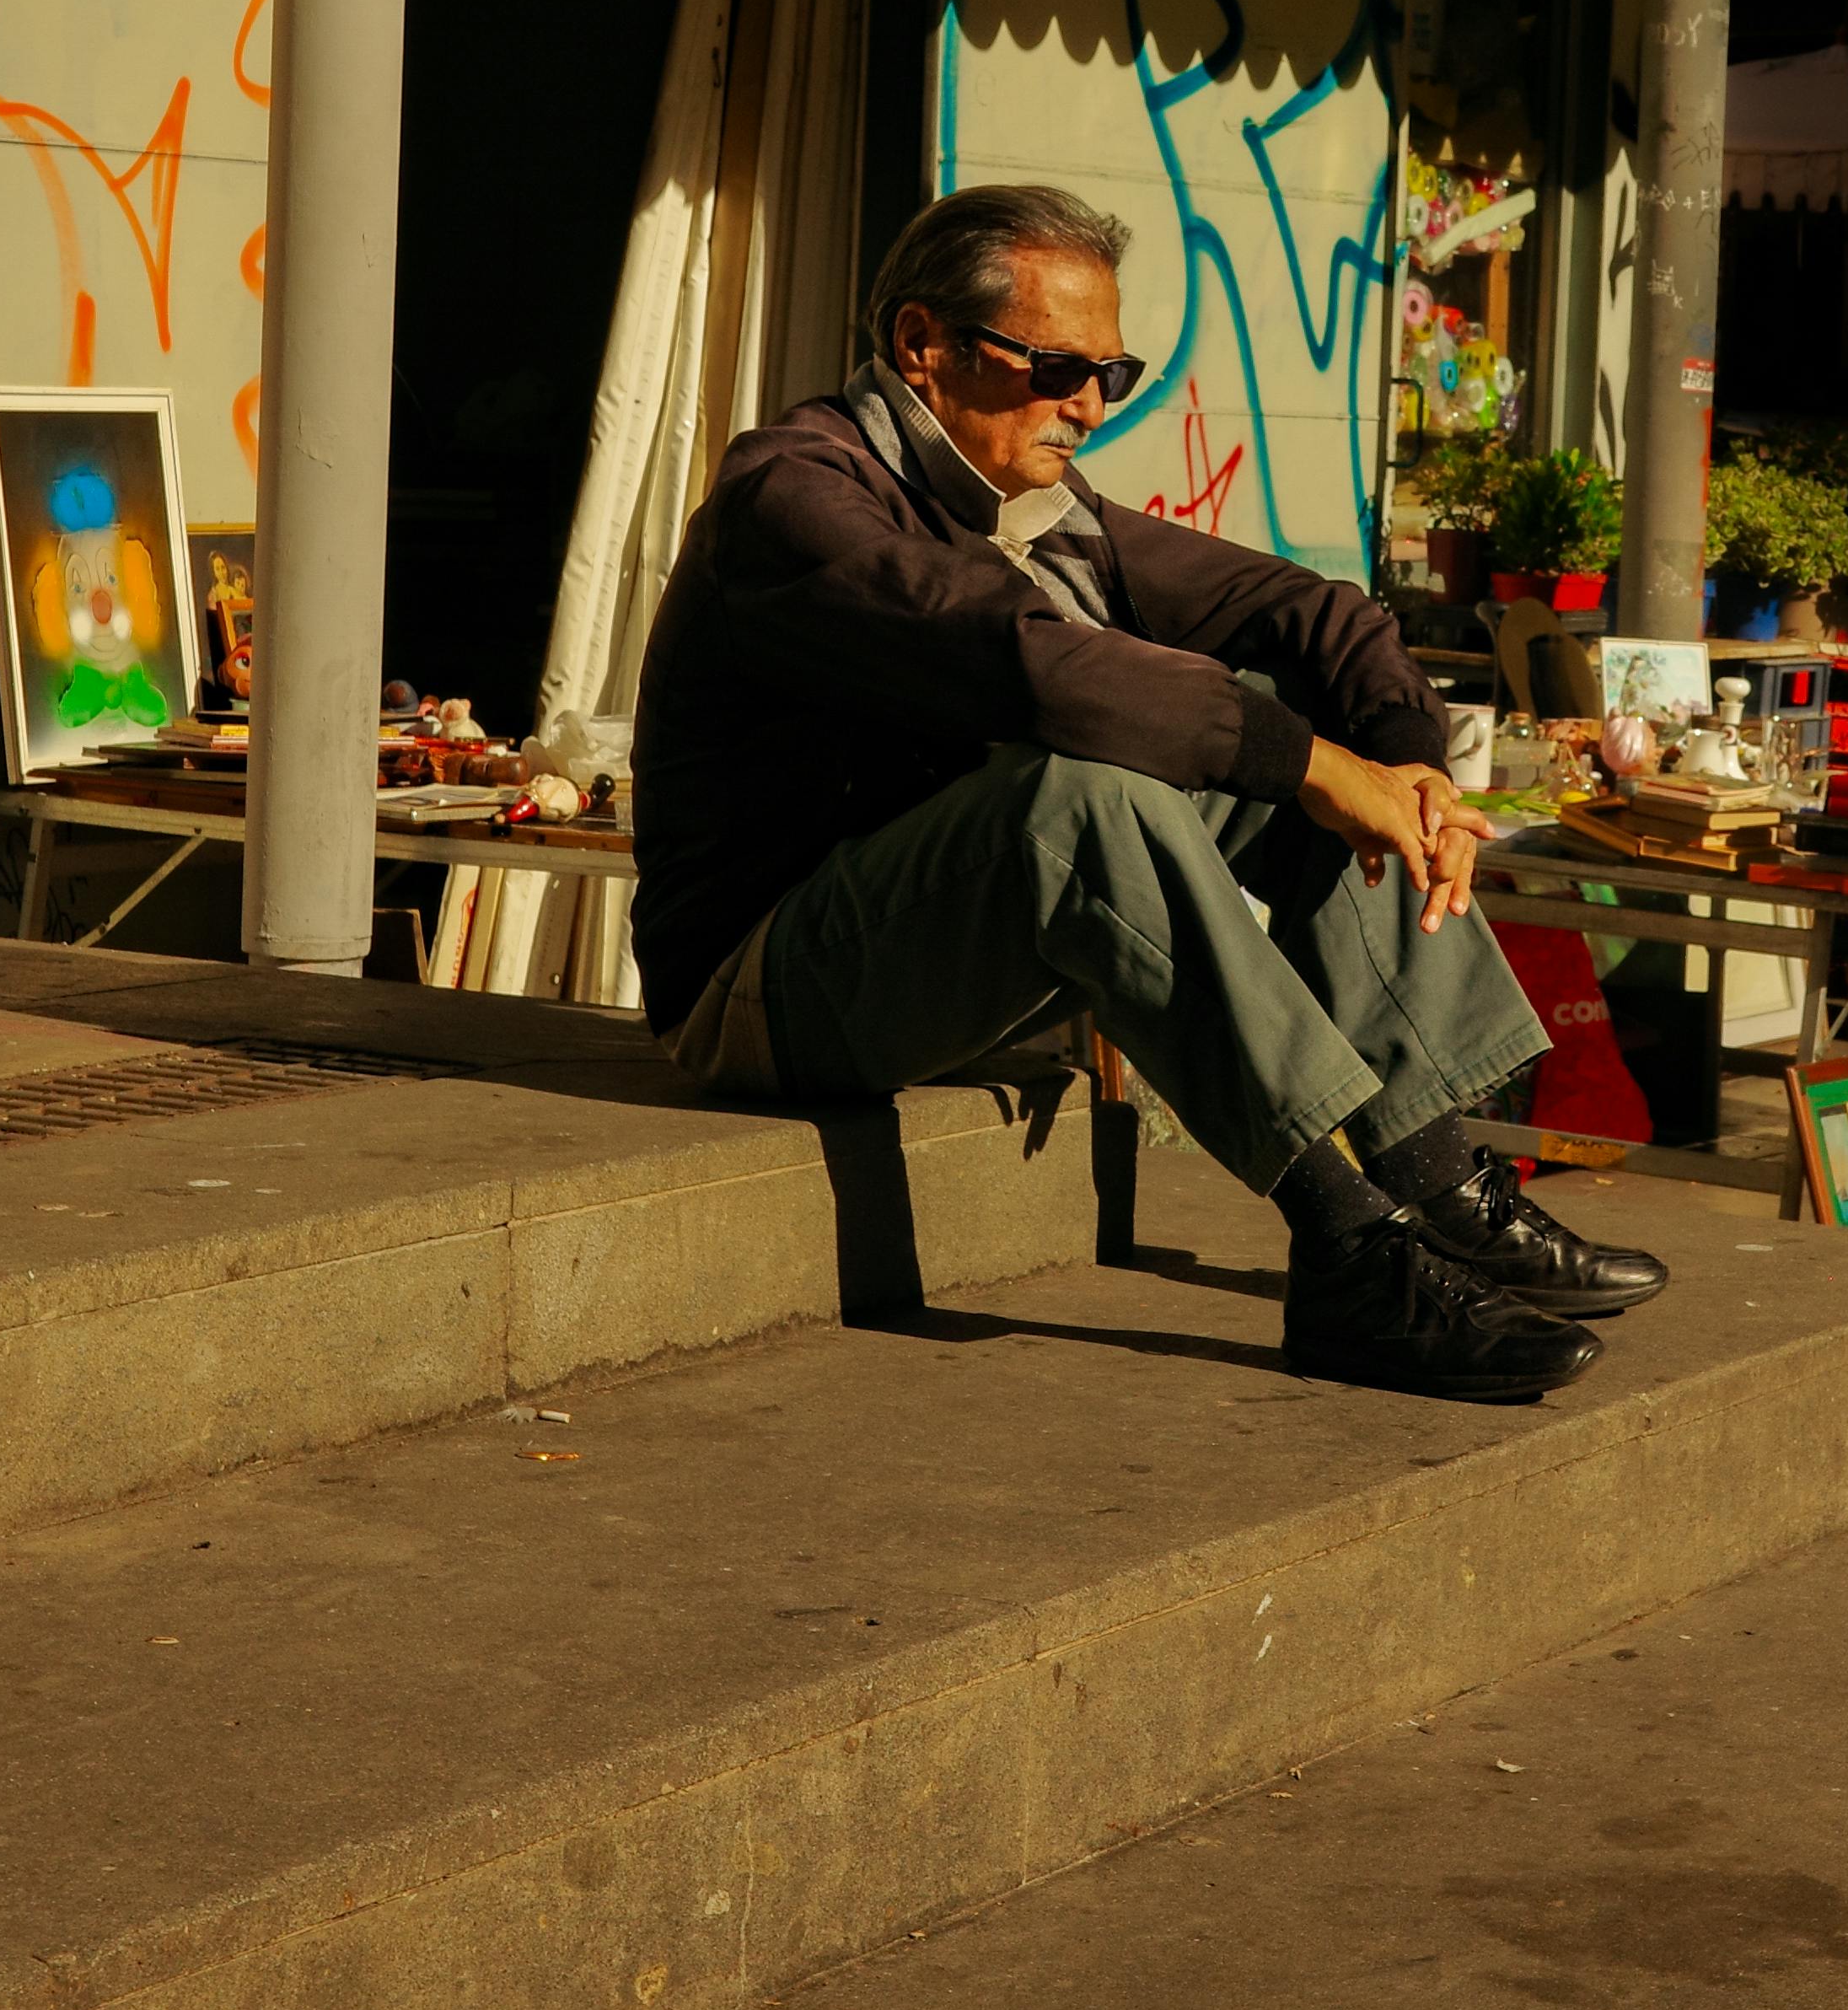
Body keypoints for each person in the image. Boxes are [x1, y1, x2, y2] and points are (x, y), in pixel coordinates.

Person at [631, 181, 1667, 1401]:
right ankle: (1347, 1249)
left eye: (1111, 376)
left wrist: (1407, 770)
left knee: (1290, 770)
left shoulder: (1045, 510)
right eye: (1059, 367)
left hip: (913, 954)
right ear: (924, 345)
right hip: (758, 987)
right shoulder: (799, 499)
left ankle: (1437, 1188)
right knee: (1096, 785)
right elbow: (1036, 669)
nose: (1088, 406)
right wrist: (1315, 765)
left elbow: (1312, 610)